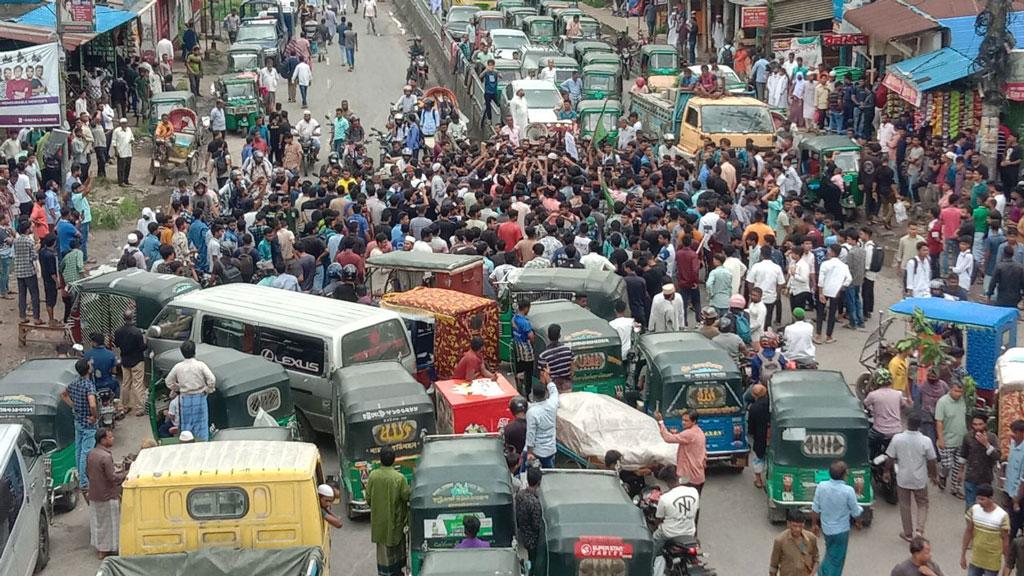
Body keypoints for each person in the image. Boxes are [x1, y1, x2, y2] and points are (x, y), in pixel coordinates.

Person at [886, 411, 940, 542]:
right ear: (919, 426)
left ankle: (908, 534)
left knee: (905, 506)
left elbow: (890, 458)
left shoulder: (897, 438)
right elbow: (932, 460)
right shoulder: (925, 441)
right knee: (922, 504)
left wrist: (886, 472)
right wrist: (934, 476)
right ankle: (919, 531)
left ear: (907, 424)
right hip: (919, 479)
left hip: (902, 478)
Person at [811, 460, 863, 576]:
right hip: (841, 531)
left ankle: (822, 572)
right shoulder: (848, 491)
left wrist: (814, 524)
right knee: (837, 560)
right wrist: (858, 523)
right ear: (844, 474)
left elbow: (815, 508)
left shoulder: (821, 486)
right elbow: (855, 511)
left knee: (830, 552)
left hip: (826, 529)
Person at [366, 446, 411, 576]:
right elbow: (406, 496)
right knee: (396, 550)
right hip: (396, 523)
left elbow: (368, 498)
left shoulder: (373, 476)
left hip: (379, 524)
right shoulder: (399, 478)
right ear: (394, 460)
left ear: (380, 460)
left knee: (383, 553)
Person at [651, 465, 700, 574]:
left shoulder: (665, 498)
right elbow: (695, 512)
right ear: (678, 477)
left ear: (665, 481)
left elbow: (659, 520)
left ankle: (652, 570)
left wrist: (655, 527)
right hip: (689, 532)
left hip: (669, 533)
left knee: (653, 545)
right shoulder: (693, 491)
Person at [164, 340, 216, 441]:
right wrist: (207, 389)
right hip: (200, 397)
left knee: (187, 425)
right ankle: (202, 444)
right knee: (201, 425)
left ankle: (187, 443)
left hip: (185, 398)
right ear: (194, 352)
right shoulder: (200, 365)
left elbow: (168, 382)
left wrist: (179, 388)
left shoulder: (178, 367)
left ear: (182, 353)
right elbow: (212, 380)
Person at [86, 428, 125, 558]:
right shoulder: (106, 457)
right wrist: (125, 475)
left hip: (94, 494)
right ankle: (111, 548)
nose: (112, 439)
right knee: (112, 523)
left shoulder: (91, 453)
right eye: (110, 437)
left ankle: (101, 549)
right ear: (103, 440)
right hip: (108, 496)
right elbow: (112, 478)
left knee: (98, 523)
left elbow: (88, 473)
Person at [61, 358, 97, 491]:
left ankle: (80, 476)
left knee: (79, 450)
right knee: (86, 453)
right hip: (88, 423)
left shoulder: (74, 383)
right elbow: (92, 404)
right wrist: (94, 416)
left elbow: (63, 394)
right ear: (88, 369)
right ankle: (84, 481)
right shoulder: (88, 385)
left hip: (78, 420)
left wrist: (74, 406)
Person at [656, 409, 706, 498]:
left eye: (686, 421)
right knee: (694, 504)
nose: (683, 423)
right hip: (699, 476)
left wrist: (660, 421)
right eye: (682, 420)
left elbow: (668, 438)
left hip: (689, 479)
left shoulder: (689, 433)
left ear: (694, 421)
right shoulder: (699, 432)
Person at [961, 483, 1010, 576]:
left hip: (992, 562)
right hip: (976, 559)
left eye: (982, 499)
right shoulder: (974, 510)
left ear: (991, 498)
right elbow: (968, 532)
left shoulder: (1002, 516)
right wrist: (963, 554)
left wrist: (1007, 563)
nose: (979, 502)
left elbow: (1005, 541)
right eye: (978, 498)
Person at [958, 412, 1000, 508]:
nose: (977, 427)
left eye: (980, 424)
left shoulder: (992, 438)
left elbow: (997, 456)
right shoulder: (967, 437)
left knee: (984, 507)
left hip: (986, 478)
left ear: (985, 424)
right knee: (970, 506)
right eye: (975, 424)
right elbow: (963, 455)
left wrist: (986, 444)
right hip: (970, 477)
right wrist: (960, 472)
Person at [934, 382, 968, 498]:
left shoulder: (963, 401)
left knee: (958, 466)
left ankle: (955, 488)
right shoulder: (942, 402)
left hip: (961, 440)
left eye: (960, 392)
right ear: (950, 390)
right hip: (947, 440)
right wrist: (940, 438)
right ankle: (942, 475)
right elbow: (939, 422)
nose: (958, 394)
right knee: (947, 465)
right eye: (956, 391)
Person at [113, 309, 147, 417]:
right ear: (132, 318)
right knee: (137, 384)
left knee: (125, 384)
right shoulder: (137, 332)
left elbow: (117, 344)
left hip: (125, 360)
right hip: (137, 360)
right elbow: (142, 347)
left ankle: (124, 406)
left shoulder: (118, 331)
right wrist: (147, 341)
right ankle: (140, 408)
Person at [526, 366, 559, 469]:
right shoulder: (552, 404)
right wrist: (548, 378)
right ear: (545, 393)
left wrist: (529, 452)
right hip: (551, 449)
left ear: (533, 395)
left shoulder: (532, 412)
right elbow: (554, 391)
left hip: (538, 452)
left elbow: (531, 433)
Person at [769, 509, 819, 576]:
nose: (797, 529)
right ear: (788, 524)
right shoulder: (780, 541)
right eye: (794, 526)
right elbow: (773, 566)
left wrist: (813, 573)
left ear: (804, 524)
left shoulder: (811, 538)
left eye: (800, 526)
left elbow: (816, 558)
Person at [514, 466, 542, 569]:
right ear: (539, 482)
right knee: (534, 560)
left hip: (523, 533)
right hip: (532, 539)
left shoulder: (520, 495)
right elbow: (536, 525)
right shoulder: (534, 503)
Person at [536, 324, 573, 393]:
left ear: (548, 336)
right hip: (567, 386)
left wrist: (544, 390)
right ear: (559, 336)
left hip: (553, 388)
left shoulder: (543, 356)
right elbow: (572, 368)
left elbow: (542, 375)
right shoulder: (568, 350)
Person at [511, 299, 535, 392]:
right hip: (526, 350)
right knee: (528, 372)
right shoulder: (524, 322)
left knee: (519, 369)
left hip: (518, 348)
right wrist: (533, 345)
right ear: (525, 308)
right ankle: (528, 393)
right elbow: (531, 336)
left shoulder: (514, 318)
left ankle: (519, 388)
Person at [110, 118, 135, 187]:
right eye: (123, 123)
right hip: (121, 151)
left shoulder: (129, 130)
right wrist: (116, 151)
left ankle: (126, 180)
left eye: (125, 123)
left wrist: (132, 140)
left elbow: (132, 137)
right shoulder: (117, 131)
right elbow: (113, 141)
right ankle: (121, 181)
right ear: (120, 124)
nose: (124, 124)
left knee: (127, 167)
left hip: (128, 151)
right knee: (121, 168)